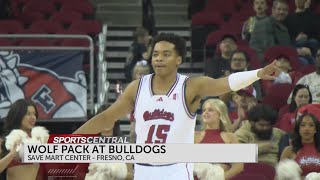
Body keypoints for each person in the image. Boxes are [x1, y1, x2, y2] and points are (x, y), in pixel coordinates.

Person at [74, 33, 280, 180]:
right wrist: (71, 140)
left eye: (165, 54)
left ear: (178, 59)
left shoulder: (190, 86)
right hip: (143, 168)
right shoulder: (136, 87)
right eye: (155, 54)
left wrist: (257, 73)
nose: (158, 59)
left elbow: (223, 84)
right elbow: (106, 118)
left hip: (176, 169)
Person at [194, 98, 243, 179]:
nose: (205, 112)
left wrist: (219, 178)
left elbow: (238, 167)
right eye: (204, 110)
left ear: (220, 114)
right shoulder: (194, 136)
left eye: (210, 110)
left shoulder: (230, 137)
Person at [0, 99, 40, 180]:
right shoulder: (3, 141)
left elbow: (68, 142)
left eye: (34, 114)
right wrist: (12, 154)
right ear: (18, 115)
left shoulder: (39, 139)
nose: (33, 118)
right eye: (28, 114)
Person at [280, 113, 320, 178]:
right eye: (303, 125)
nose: (307, 128)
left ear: (316, 129)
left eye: (311, 125)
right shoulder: (289, 151)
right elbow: (279, 177)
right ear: (298, 129)